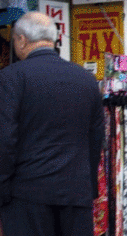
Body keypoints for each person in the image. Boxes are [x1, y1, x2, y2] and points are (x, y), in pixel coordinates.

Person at [0, 12, 105, 235]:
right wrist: (89, 187)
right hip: (76, 193)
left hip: (28, 194)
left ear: (21, 40)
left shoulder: (12, 78)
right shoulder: (86, 80)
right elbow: (96, 139)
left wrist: (2, 188)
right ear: (54, 39)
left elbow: (5, 138)